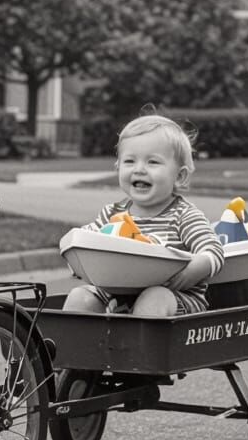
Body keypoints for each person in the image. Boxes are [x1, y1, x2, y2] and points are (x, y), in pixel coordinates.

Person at [64, 114, 224, 317]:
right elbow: (83, 243)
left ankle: (142, 346)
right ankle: (80, 347)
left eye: (153, 162)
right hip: (117, 293)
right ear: (118, 168)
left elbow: (214, 249)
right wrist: (78, 262)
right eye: (129, 161)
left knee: (154, 297)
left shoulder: (183, 215)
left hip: (173, 296)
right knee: (80, 297)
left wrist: (195, 269)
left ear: (179, 176)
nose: (139, 169)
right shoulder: (112, 214)